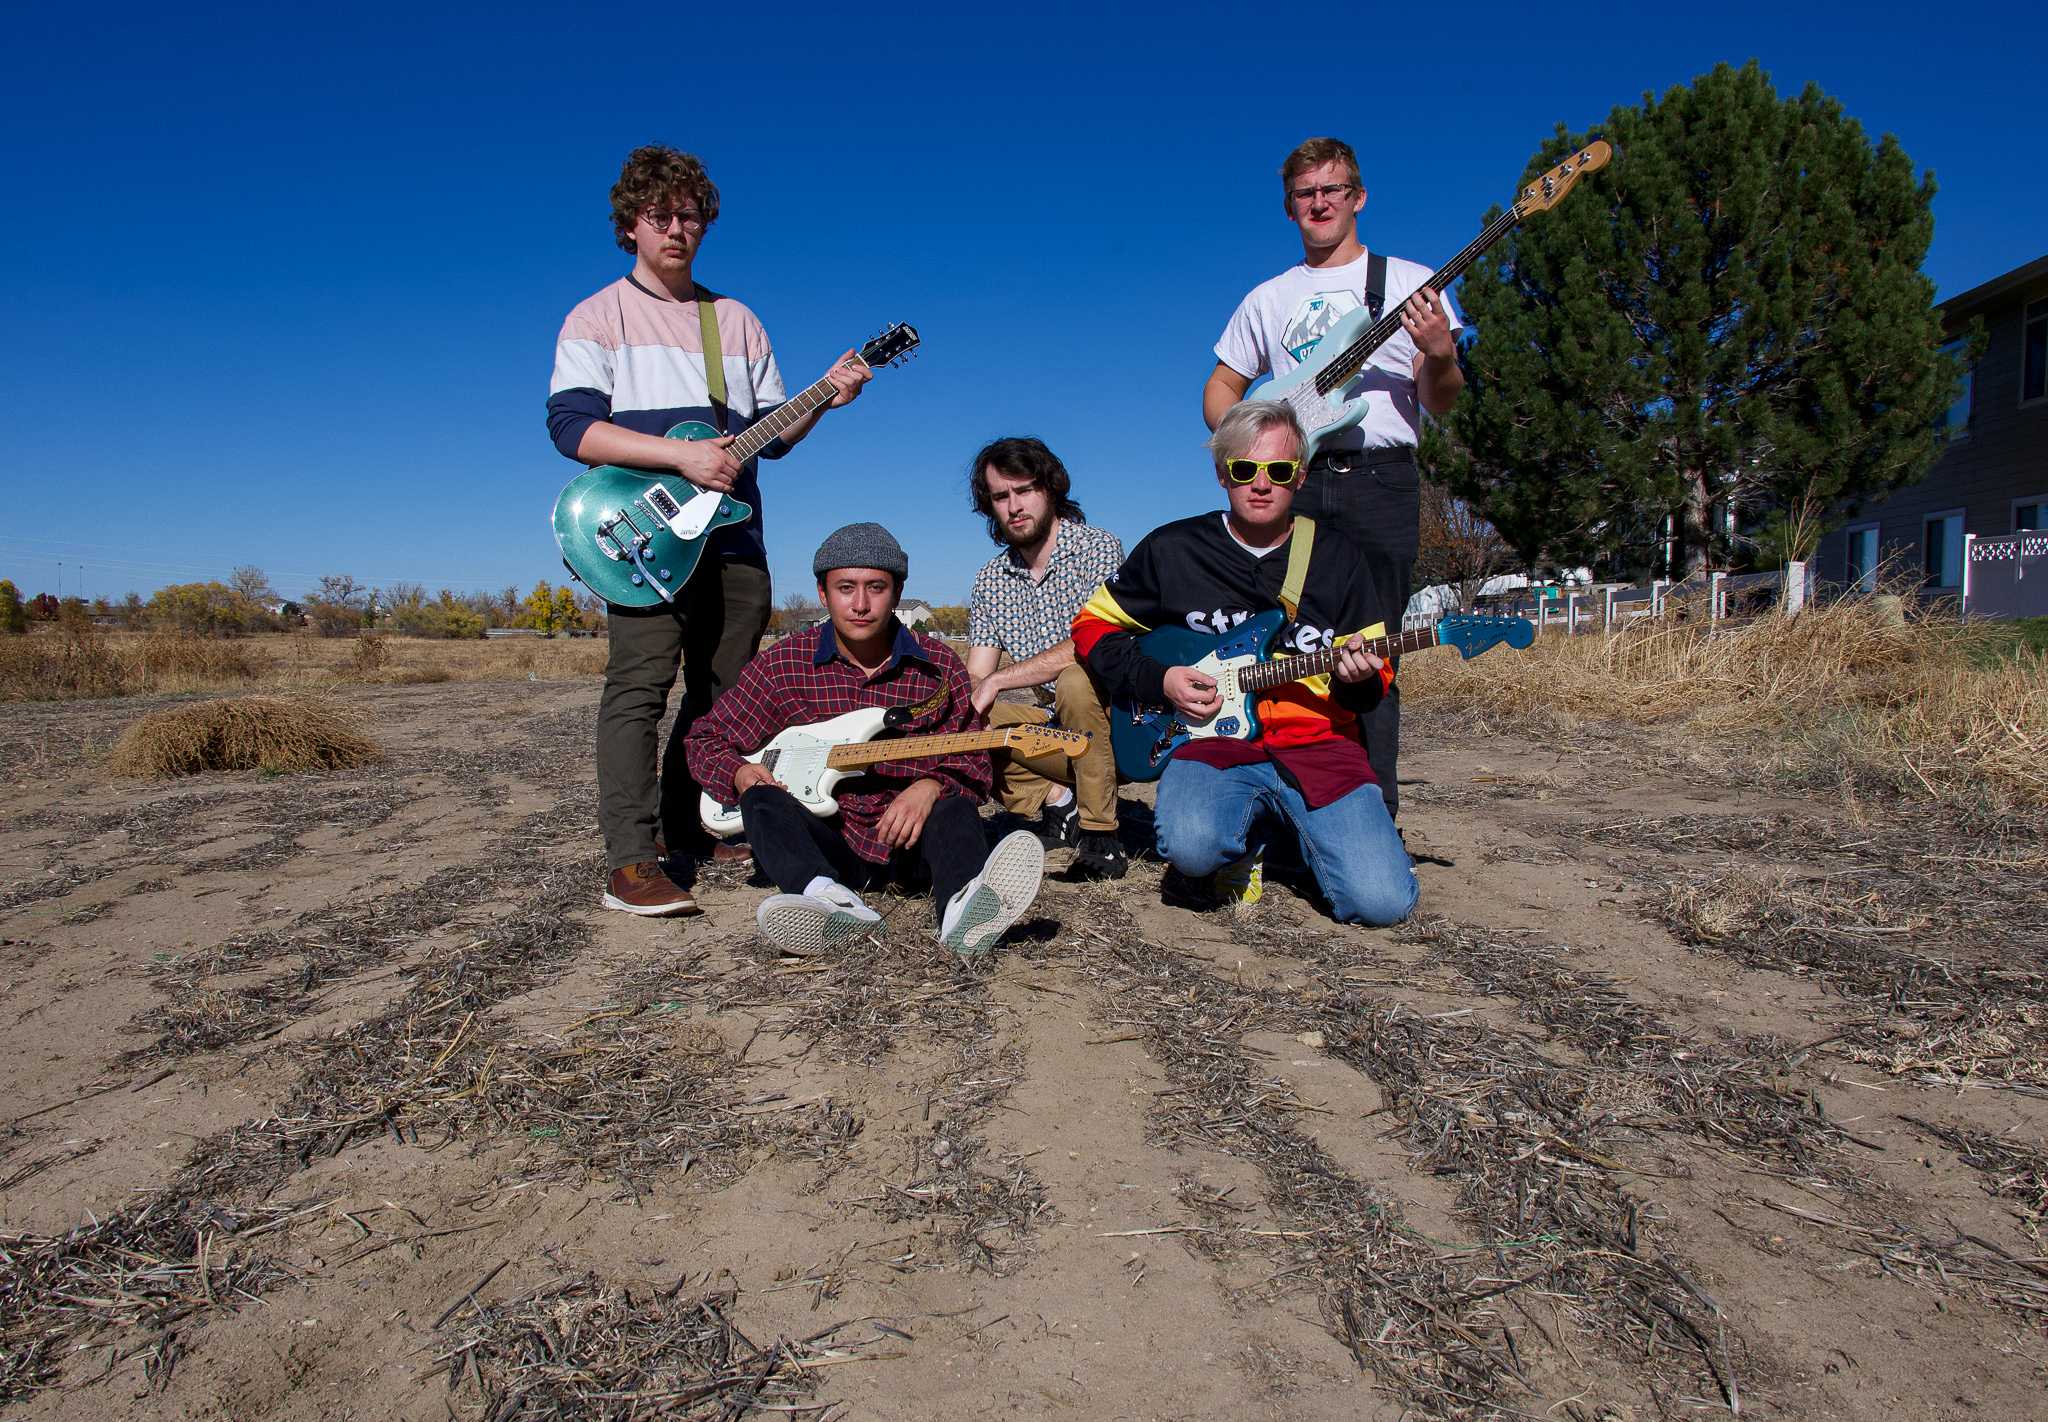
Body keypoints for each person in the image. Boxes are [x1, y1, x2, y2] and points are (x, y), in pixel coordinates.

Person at [547, 145, 870, 916]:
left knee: (723, 695)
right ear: (630, 225)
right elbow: (572, 428)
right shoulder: (597, 316)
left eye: (690, 215)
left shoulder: (736, 322)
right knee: (639, 688)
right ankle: (630, 860)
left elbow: (773, 434)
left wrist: (827, 396)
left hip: (732, 537)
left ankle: (684, 823)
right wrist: (680, 456)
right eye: (660, 216)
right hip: (647, 539)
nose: (677, 229)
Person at [1072, 402, 1418, 927]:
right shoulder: (1173, 548)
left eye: (1278, 471)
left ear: (1300, 477)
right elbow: (1092, 623)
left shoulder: (1340, 557)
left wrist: (1359, 680)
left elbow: (1369, 686)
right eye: (1244, 470)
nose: (1261, 484)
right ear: (1221, 475)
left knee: (1383, 905)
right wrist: (1158, 678)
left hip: (1317, 745)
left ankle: (1279, 832)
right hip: (1211, 744)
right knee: (1190, 850)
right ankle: (1248, 836)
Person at [1201, 136, 1464, 820]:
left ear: (1359, 197)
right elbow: (1223, 384)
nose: (1320, 203)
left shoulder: (1411, 283)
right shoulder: (1269, 297)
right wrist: (1241, 453)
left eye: (1333, 189)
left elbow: (1440, 399)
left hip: (1382, 482)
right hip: (1298, 482)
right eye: (1305, 193)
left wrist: (1439, 354)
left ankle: (1372, 814)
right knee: (1284, 642)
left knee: (1373, 652)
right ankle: (1278, 801)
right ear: (1289, 208)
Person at [685, 523, 1046, 957]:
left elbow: (973, 756)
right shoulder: (782, 664)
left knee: (954, 810)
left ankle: (961, 910)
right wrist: (741, 773)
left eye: (876, 587)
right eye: (845, 588)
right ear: (822, 594)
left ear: (897, 593)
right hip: (829, 843)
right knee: (762, 801)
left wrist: (930, 788)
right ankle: (827, 902)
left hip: (915, 844)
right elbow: (705, 738)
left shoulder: (938, 667)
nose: (860, 604)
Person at [961, 438, 1129, 879]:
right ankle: (1060, 805)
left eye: (1025, 490)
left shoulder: (1098, 549)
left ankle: (1101, 834)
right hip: (1055, 723)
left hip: (1119, 718)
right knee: (974, 709)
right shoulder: (990, 580)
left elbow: (1091, 645)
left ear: (1050, 489)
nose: (1014, 506)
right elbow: (979, 673)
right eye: (1001, 496)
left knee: (1076, 678)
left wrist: (1001, 679)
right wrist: (969, 698)